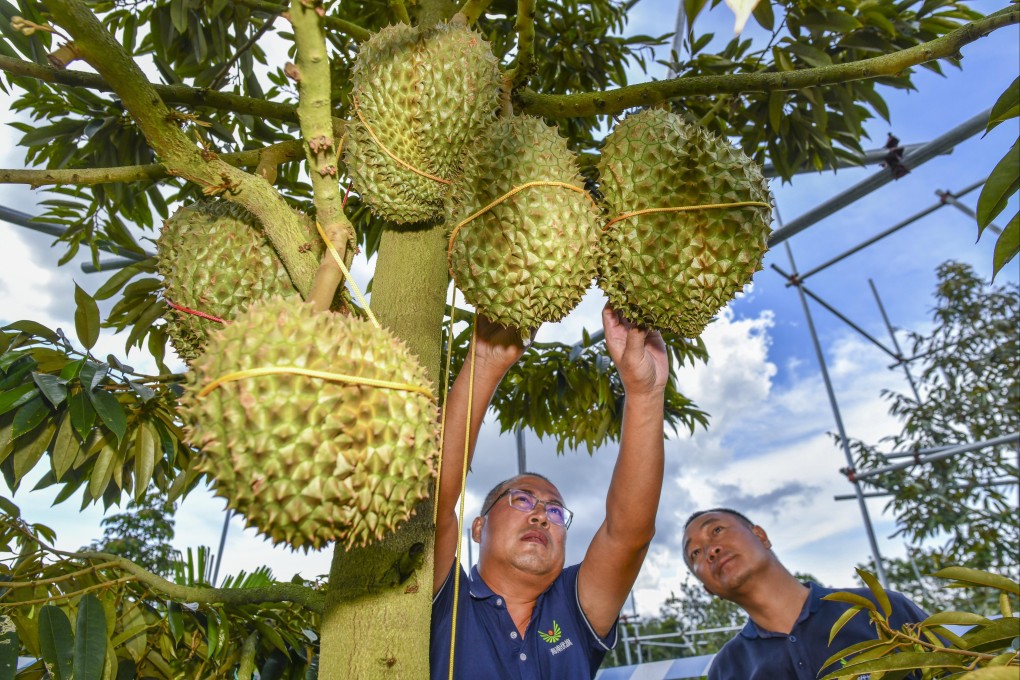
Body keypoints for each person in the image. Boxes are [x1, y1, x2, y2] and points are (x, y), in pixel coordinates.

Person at [430, 304, 669, 679]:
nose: (542, 515)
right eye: (522, 499)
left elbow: (629, 534)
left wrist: (645, 392)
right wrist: (484, 362)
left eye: (556, 511)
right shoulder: (447, 601)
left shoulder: (573, 606)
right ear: (478, 526)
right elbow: (432, 502)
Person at [682, 508, 929, 680]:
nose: (710, 550)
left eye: (717, 530)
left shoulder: (878, 608)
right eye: (695, 553)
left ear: (761, 536)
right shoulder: (727, 669)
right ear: (708, 589)